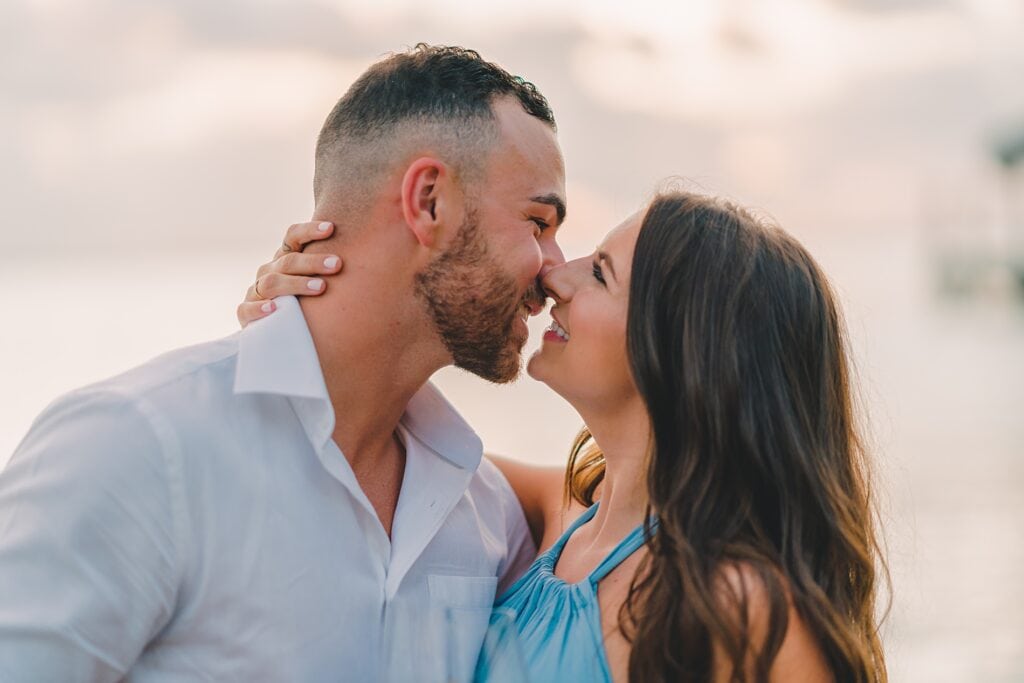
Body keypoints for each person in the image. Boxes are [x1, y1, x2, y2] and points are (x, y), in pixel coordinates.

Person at [0, 45, 569, 682]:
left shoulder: (484, 514)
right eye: (538, 222)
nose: (557, 269)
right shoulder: (137, 446)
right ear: (429, 200)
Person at [245, 191, 889, 682]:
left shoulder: (737, 605)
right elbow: (380, 437)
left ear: (686, 348)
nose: (557, 277)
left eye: (601, 274)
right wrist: (311, 320)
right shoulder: (567, 518)